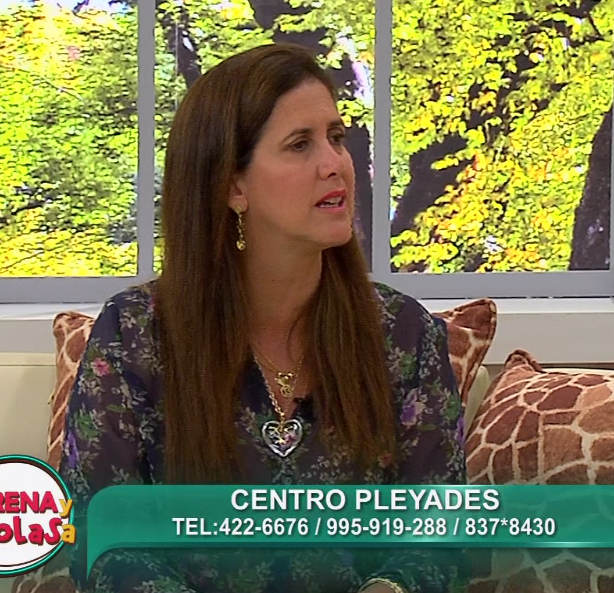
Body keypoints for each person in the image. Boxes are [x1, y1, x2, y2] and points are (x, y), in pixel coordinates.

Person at [60, 42, 467, 593]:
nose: (335, 163)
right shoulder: (135, 334)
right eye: (300, 144)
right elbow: (100, 538)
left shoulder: (402, 333)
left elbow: (441, 535)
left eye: (336, 137)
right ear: (233, 185)